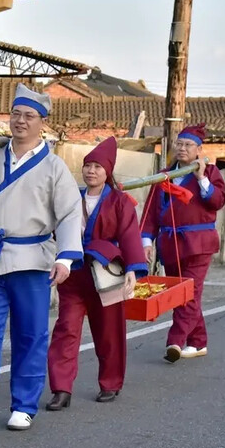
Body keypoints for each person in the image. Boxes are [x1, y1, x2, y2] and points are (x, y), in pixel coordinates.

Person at [0, 84, 83, 432]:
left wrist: (65, 258)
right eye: (16, 114)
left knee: (30, 334)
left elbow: (69, 214)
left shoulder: (54, 167)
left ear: (42, 123)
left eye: (29, 116)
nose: (21, 121)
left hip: (33, 261)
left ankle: (24, 403)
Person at [46, 137, 148, 409]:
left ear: (108, 172)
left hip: (108, 274)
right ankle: (61, 389)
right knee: (66, 329)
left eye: (97, 167)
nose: (91, 171)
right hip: (76, 275)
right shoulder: (70, 197)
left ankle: (110, 383)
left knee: (109, 331)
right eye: (87, 166)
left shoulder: (120, 202)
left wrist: (133, 270)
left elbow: (129, 236)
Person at [141, 124, 225, 363]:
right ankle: (198, 342)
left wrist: (201, 179)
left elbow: (217, 201)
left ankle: (175, 341)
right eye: (179, 144)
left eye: (188, 145)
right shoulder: (164, 176)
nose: (182, 148)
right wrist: (146, 241)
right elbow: (150, 213)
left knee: (190, 293)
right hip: (170, 245)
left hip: (199, 244)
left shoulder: (210, 172)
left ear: (199, 149)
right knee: (182, 295)